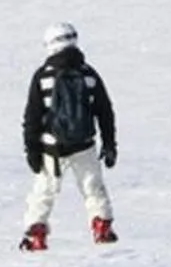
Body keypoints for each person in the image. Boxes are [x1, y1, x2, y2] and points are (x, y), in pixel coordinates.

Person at [20, 22, 117, 250]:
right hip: (84, 145)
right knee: (94, 188)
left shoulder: (43, 76)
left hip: (51, 149)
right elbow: (104, 111)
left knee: (43, 192)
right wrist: (110, 143)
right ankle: (102, 227)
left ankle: (36, 233)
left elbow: (32, 117)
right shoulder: (88, 74)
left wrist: (32, 151)